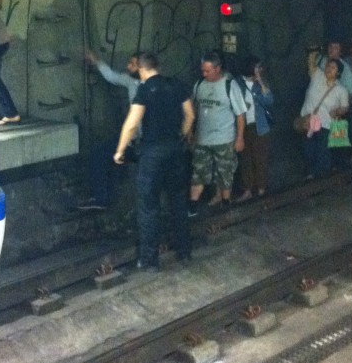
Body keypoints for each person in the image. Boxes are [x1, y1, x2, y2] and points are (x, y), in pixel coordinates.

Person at [113, 52, 194, 271]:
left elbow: (132, 123)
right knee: (178, 202)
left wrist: (120, 151)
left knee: (149, 207)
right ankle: (184, 251)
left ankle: (149, 261)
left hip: (152, 155)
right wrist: (180, 136)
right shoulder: (176, 84)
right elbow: (190, 115)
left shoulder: (144, 90)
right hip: (175, 151)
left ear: (141, 69)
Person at [77, 50, 140, 211]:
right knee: (100, 154)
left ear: (142, 66)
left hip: (147, 144)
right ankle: (102, 198)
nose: (127, 66)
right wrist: (96, 61)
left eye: (132, 64)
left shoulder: (153, 88)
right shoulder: (131, 82)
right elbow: (112, 76)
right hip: (133, 142)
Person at [188, 51, 246, 215]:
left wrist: (239, 138)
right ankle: (193, 206)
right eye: (203, 70)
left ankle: (226, 203)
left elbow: (240, 114)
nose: (204, 74)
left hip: (224, 139)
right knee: (198, 172)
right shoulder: (199, 85)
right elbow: (193, 110)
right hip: (202, 139)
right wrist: (191, 132)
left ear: (218, 68)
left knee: (225, 172)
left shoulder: (229, 85)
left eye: (208, 71)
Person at [299, 58, 349, 179]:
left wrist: (338, 111)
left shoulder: (341, 90)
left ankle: (321, 179)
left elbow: (345, 107)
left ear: (338, 73)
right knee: (308, 150)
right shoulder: (317, 76)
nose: (329, 69)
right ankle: (310, 175)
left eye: (333, 67)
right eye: (328, 66)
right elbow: (311, 64)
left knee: (322, 152)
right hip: (308, 121)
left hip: (326, 124)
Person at [236, 55, 274, 199]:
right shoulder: (238, 83)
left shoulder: (261, 83)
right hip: (244, 126)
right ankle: (247, 189)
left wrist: (261, 82)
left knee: (261, 158)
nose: (260, 69)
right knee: (246, 159)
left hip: (261, 126)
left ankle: (261, 189)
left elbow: (270, 101)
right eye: (258, 67)